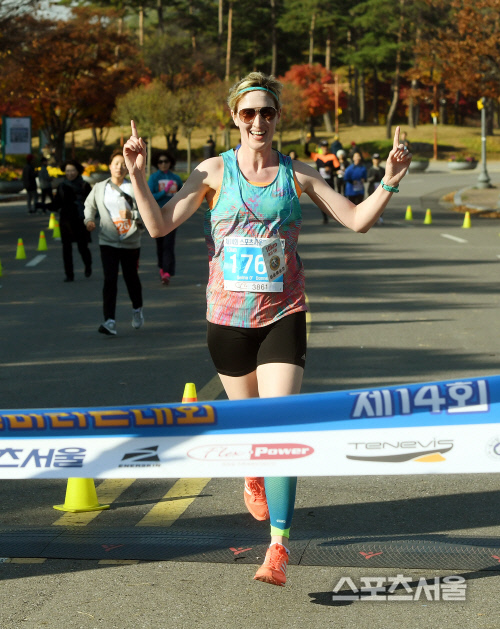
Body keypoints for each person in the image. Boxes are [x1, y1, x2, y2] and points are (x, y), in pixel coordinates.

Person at [123, 71, 412, 587]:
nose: (259, 121)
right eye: (249, 112)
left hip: (284, 312)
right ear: (235, 117)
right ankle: (251, 470)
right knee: (253, 427)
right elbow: (158, 226)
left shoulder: (297, 174)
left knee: (280, 429)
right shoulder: (212, 172)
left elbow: (357, 220)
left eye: (268, 112)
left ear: (279, 117)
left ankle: (278, 546)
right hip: (227, 320)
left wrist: (390, 179)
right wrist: (139, 178)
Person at [84, 149, 145, 336]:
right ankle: (109, 321)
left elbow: (147, 213)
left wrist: (132, 214)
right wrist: (89, 220)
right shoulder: (99, 187)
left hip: (130, 241)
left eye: (123, 164)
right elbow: (89, 206)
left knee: (130, 277)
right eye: (116, 163)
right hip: (108, 240)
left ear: (127, 168)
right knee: (110, 280)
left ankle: (137, 309)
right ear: (110, 166)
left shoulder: (135, 187)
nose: (119, 167)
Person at [52, 160, 92, 282]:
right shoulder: (62, 186)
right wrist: (43, 206)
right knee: (66, 249)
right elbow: (57, 204)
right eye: (68, 171)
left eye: (72, 170)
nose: (70, 173)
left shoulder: (85, 185)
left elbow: (91, 203)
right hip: (65, 221)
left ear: (78, 171)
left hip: (80, 221)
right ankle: (69, 274)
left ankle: (88, 265)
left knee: (82, 247)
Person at [148, 152, 183, 285]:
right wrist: (164, 191)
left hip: (172, 215)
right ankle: (162, 268)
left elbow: (182, 194)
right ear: (157, 164)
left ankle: (167, 271)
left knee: (169, 244)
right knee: (160, 244)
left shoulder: (175, 178)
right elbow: (151, 197)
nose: (163, 164)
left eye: (166, 161)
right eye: (160, 162)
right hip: (157, 214)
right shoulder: (154, 178)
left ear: (170, 163)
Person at [305, 138, 340, 223]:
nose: (325, 148)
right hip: (319, 181)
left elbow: (338, 168)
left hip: (330, 181)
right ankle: (325, 217)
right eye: (323, 147)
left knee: (331, 199)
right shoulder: (317, 156)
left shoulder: (332, 156)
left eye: (326, 147)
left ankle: (334, 215)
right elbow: (306, 152)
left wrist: (331, 169)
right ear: (321, 148)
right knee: (321, 200)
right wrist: (307, 143)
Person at [367, 153, 385, 225]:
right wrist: (372, 178)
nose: (376, 161)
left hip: (380, 188)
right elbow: (367, 179)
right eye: (375, 159)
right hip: (372, 188)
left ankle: (380, 217)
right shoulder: (370, 170)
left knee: (381, 203)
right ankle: (373, 218)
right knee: (372, 204)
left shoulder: (382, 170)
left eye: (377, 159)